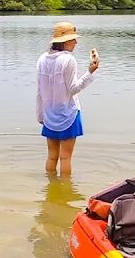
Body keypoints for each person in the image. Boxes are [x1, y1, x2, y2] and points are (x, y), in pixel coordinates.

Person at [36, 22, 99, 176]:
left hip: (49, 115)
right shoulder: (68, 60)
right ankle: (64, 192)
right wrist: (90, 72)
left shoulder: (42, 59)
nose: (76, 42)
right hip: (68, 114)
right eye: (73, 39)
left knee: (52, 157)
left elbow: (39, 91)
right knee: (65, 158)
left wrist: (40, 115)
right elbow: (73, 89)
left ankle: (51, 190)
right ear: (65, 41)